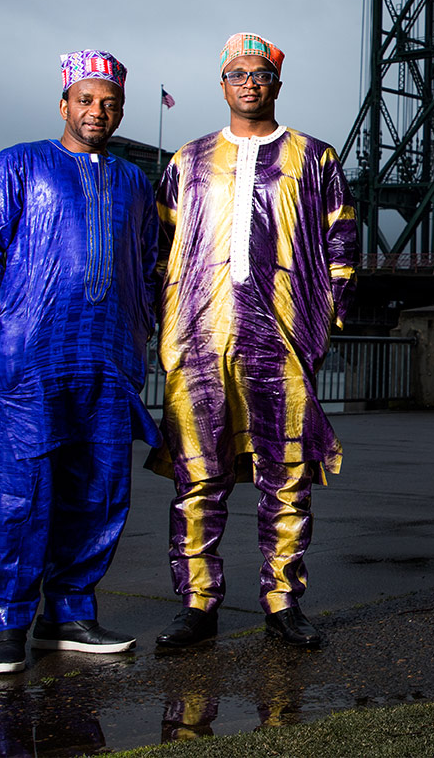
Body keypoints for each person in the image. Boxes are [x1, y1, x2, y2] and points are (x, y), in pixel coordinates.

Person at [147, 32, 357, 651]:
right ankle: (197, 605)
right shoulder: (186, 159)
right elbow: (159, 249)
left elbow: (341, 240)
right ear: (223, 84)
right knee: (196, 474)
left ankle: (283, 602)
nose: (249, 83)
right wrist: (165, 322)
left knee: (287, 471)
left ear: (276, 83)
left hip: (281, 335)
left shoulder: (314, 159)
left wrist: (327, 320)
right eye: (237, 73)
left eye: (259, 73)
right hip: (198, 337)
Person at [0, 50, 159, 675]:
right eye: (86, 100)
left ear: (120, 108)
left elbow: (151, 264)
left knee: (100, 490)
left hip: (109, 358)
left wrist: (141, 328)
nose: (97, 111)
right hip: (35, 359)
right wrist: (7, 318)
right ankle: (8, 624)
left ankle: (69, 615)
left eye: (109, 102)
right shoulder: (19, 164)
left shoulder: (133, 181)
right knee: (23, 493)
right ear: (65, 102)